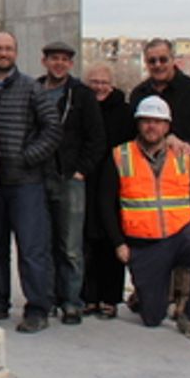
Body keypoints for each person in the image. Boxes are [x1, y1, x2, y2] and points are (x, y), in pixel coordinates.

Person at [99, 96, 190, 340]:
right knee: (152, 318)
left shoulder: (182, 155)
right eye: (146, 121)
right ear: (138, 124)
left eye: (157, 121)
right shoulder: (121, 156)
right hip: (144, 242)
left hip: (181, 232)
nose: (151, 126)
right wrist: (118, 243)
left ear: (167, 126)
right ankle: (144, 296)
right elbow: (105, 203)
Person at [127, 37, 190, 319]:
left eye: (162, 60)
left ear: (173, 59)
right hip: (147, 178)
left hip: (183, 180)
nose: (157, 65)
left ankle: (184, 303)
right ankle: (152, 290)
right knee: (152, 242)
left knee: (186, 245)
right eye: (152, 61)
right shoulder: (139, 93)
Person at [0, 31, 62, 333]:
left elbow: (52, 129)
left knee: (32, 248)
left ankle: (38, 308)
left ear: (16, 52)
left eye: (8, 48)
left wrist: (27, 156)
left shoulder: (32, 89)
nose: (3, 53)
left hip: (26, 182)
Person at [37, 40, 106, 325]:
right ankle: (49, 297)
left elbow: (96, 138)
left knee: (71, 245)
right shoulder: (36, 90)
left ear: (71, 64)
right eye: (54, 58)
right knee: (43, 242)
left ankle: (72, 301)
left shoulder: (81, 95)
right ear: (45, 62)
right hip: (40, 177)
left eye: (64, 59)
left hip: (70, 178)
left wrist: (81, 171)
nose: (59, 64)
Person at [82, 63, 134, 318]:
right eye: (94, 82)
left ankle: (110, 298)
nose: (99, 87)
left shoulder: (125, 112)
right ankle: (88, 296)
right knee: (86, 241)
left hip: (115, 181)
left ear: (111, 84)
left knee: (111, 239)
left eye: (103, 82)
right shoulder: (81, 106)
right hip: (87, 179)